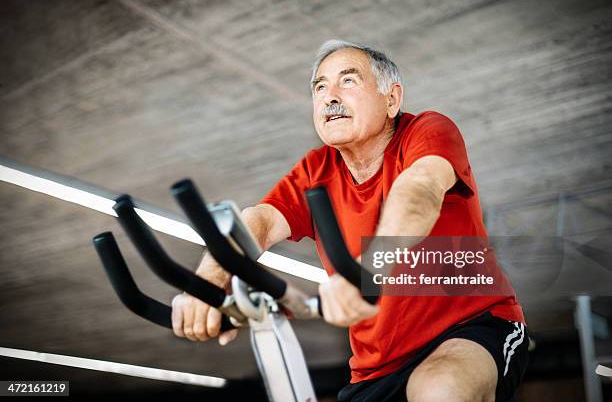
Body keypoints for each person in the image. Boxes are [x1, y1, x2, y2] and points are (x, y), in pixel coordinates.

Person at [171, 40, 529, 401]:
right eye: (320, 87)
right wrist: (208, 283)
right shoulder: (316, 170)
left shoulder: (427, 131)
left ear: (392, 100)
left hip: (475, 326)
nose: (330, 96)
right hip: (376, 367)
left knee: (439, 389)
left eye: (348, 81)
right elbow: (259, 221)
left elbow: (420, 189)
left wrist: (367, 271)